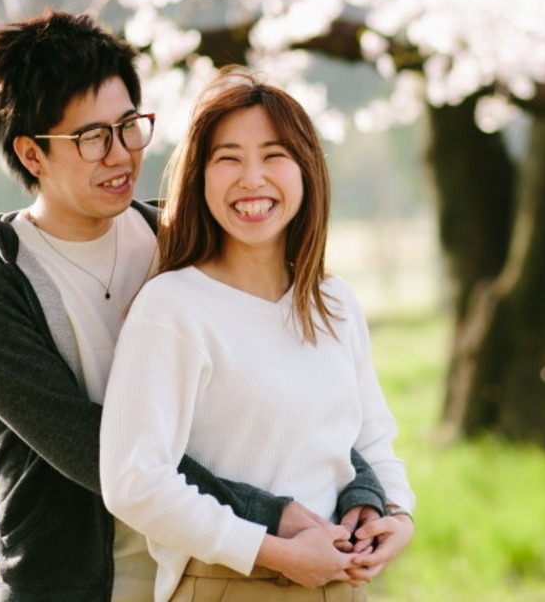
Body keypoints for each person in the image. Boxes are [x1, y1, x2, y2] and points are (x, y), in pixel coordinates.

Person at [0, 11, 387, 601]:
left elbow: (289, 391)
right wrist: (268, 516)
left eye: (129, 126)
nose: (122, 154)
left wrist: (365, 492)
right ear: (31, 154)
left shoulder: (176, 239)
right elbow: (102, 454)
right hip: (67, 585)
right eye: (92, 138)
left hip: (192, 577)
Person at [100, 65, 416, 602]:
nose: (252, 179)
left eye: (274, 156)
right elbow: (134, 481)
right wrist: (272, 550)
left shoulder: (334, 302)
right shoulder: (173, 307)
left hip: (341, 582)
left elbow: (371, 440)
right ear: (199, 177)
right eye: (228, 159)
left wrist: (394, 512)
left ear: (306, 171)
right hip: (228, 582)